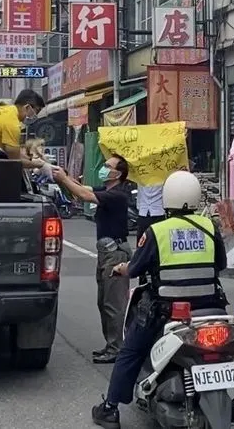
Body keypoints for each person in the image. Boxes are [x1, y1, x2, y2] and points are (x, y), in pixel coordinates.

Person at [91, 171, 228, 429]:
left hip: (166, 311)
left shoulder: (157, 231)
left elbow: (135, 268)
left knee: (130, 351)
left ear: (167, 199)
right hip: (210, 308)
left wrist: (122, 268)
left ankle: (110, 409)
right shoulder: (210, 227)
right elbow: (221, 264)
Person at [53, 155, 132, 364]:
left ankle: (117, 348)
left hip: (115, 254)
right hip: (107, 253)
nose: (104, 168)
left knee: (113, 304)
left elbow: (83, 193)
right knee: (103, 302)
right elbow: (81, 189)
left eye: (108, 166)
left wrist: (63, 179)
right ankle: (111, 345)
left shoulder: (117, 195)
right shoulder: (106, 191)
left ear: (118, 174)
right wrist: (65, 177)